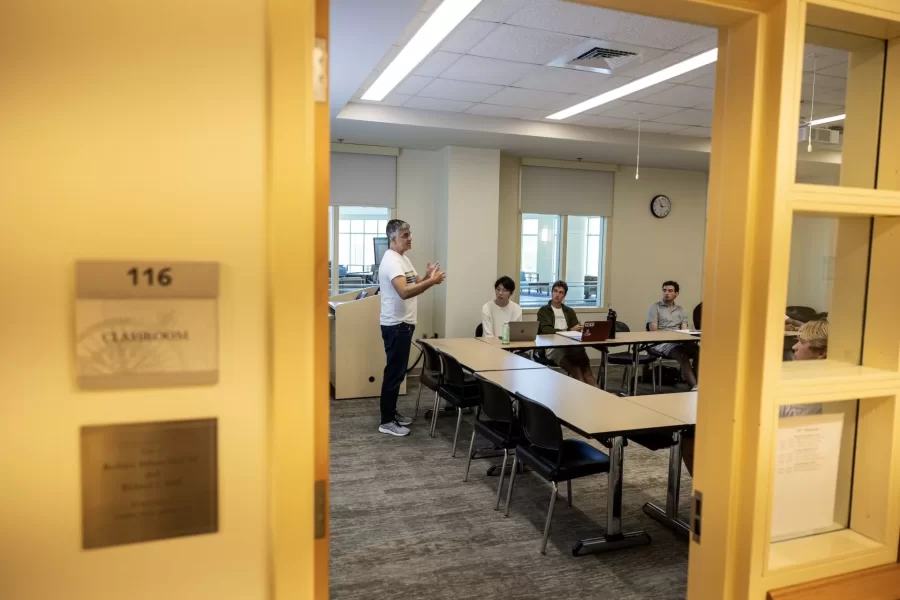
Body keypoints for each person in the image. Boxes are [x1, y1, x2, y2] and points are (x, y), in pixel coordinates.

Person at [681, 319, 828, 475]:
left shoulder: (815, 385)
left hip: (785, 449)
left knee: (697, 436)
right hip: (778, 439)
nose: (794, 347)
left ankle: (710, 493)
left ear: (821, 352)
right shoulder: (808, 375)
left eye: (801, 342)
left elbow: (788, 420)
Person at [377, 219, 445, 437]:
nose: (410, 238)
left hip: (404, 324)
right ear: (393, 239)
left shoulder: (403, 259)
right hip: (396, 325)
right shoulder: (391, 261)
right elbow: (404, 292)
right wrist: (432, 282)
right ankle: (386, 421)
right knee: (394, 373)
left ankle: (392, 413)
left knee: (397, 373)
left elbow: (416, 285)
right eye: (405, 235)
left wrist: (428, 276)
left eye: (409, 234)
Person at [537, 281, 598, 386]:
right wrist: (569, 330)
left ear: (564, 295)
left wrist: (576, 329)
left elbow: (576, 329)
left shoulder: (569, 311)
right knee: (577, 371)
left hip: (572, 345)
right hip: (553, 346)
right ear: (551, 292)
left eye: (561, 292)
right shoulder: (544, 311)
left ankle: (599, 398)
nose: (557, 295)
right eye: (555, 291)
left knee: (588, 374)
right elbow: (546, 330)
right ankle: (583, 396)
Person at [647, 280, 700, 388]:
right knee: (682, 355)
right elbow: (654, 331)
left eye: (670, 291)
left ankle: (699, 381)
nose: (667, 293)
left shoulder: (681, 310)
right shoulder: (655, 308)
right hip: (661, 342)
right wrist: (671, 336)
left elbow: (684, 330)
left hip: (678, 340)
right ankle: (695, 387)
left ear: (676, 294)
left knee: (699, 352)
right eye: (664, 290)